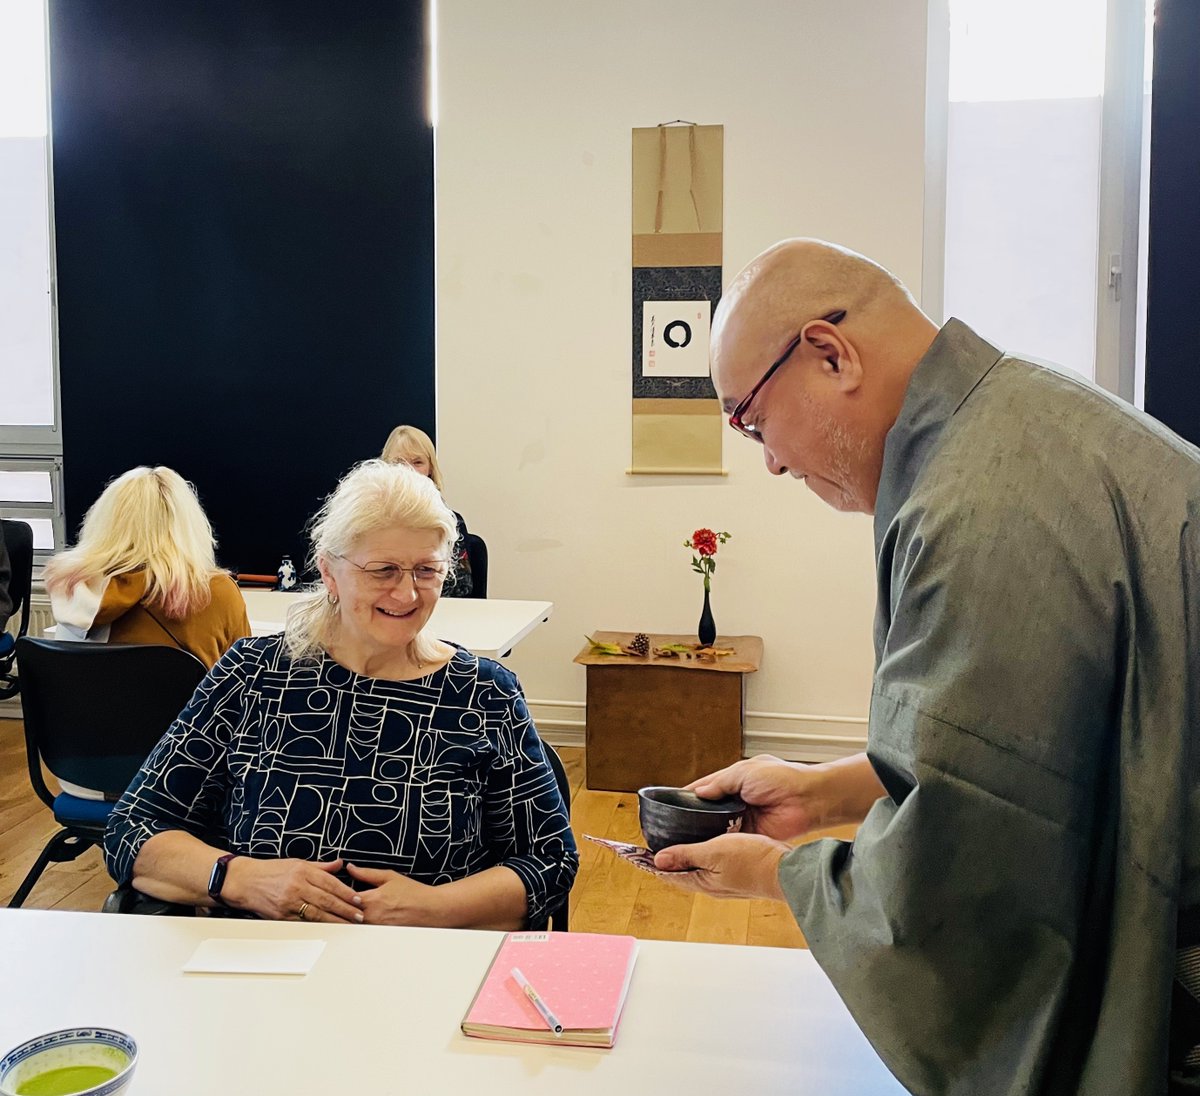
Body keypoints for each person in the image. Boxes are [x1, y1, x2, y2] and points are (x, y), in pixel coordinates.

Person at [652, 239, 1200, 1095]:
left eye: (752, 421)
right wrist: (818, 793)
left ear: (829, 354)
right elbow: (1034, 759)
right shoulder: (1021, 418)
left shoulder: (980, 511)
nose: (771, 461)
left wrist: (775, 874)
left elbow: (961, 886)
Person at [103, 459, 577, 929]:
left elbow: (550, 862)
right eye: (383, 570)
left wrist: (436, 908)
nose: (407, 594)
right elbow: (133, 830)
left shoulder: (483, 693)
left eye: (426, 571)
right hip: (258, 966)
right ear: (329, 571)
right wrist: (243, 879)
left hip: (424, 966)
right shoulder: (252, 675)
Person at [44, 466, 250, 670]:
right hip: (180, 704)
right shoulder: (215, 592)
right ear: (190, 528)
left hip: (85, 702)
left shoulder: (74, 589)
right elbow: (246, 676)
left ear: (103, 524)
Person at [381, 424, 474, 597]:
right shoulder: (371, 521)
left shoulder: (451, 522)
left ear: (430, 468)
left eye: (417, 462)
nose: (409, 471)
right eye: (399, 463)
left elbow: (462, 587)